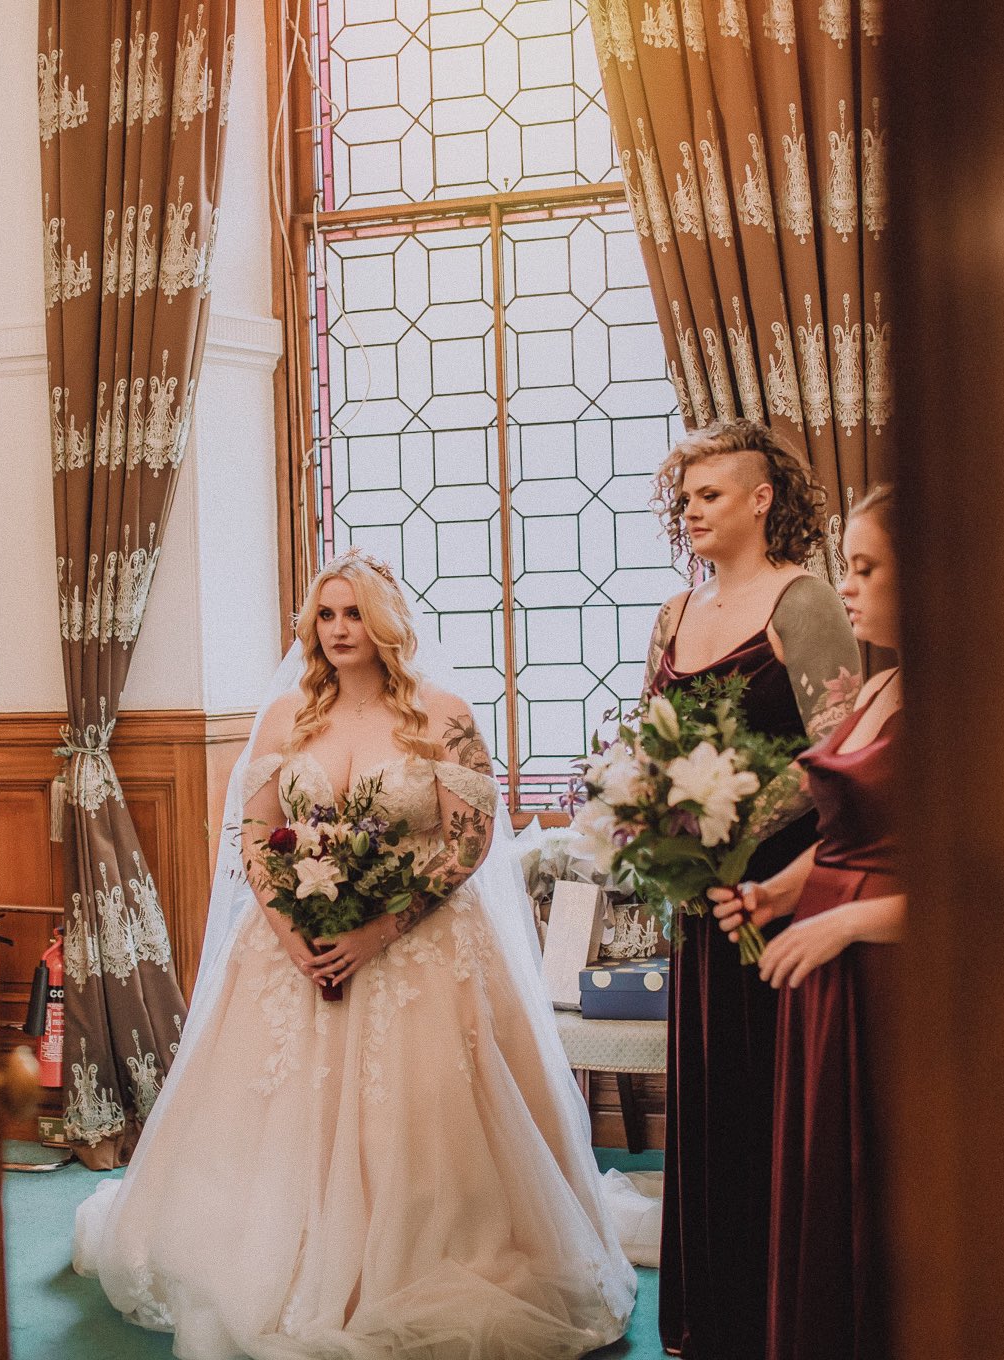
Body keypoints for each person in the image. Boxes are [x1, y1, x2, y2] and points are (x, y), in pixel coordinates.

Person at [74, 548, 636, 1360]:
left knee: (421, 1120)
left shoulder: (442, 714)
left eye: (353, 614)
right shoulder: (286, 717)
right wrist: (292, 934)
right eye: (326, 616)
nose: (339, 630)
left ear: (386, 624)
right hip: (291, 952)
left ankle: (417, 1255)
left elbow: (470, 840)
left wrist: (379, 930)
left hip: (421, 946)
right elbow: (255, 838)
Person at [642, 421, 862, 1359]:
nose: (691, 510)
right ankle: (712, 1315)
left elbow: (844, 751)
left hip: (785, 887)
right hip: (700, 893)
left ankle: (781, 1318)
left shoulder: (804, 600)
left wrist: (731, 830)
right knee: (710, 1089)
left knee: (778, 1097)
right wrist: (656, 823)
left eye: (711, 495)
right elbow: (653, 737)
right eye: (685, 497)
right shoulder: (672, 614)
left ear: (762, 498)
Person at [712, 485, 904, 1360]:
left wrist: (849, 924)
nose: (848, 589)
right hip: (823, 959)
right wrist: (780, 895)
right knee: (823, 1182)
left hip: (893, 975)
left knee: (879, 1189)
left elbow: (981, 883)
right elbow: (846, 835)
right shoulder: (886, 680)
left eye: (865, 569)